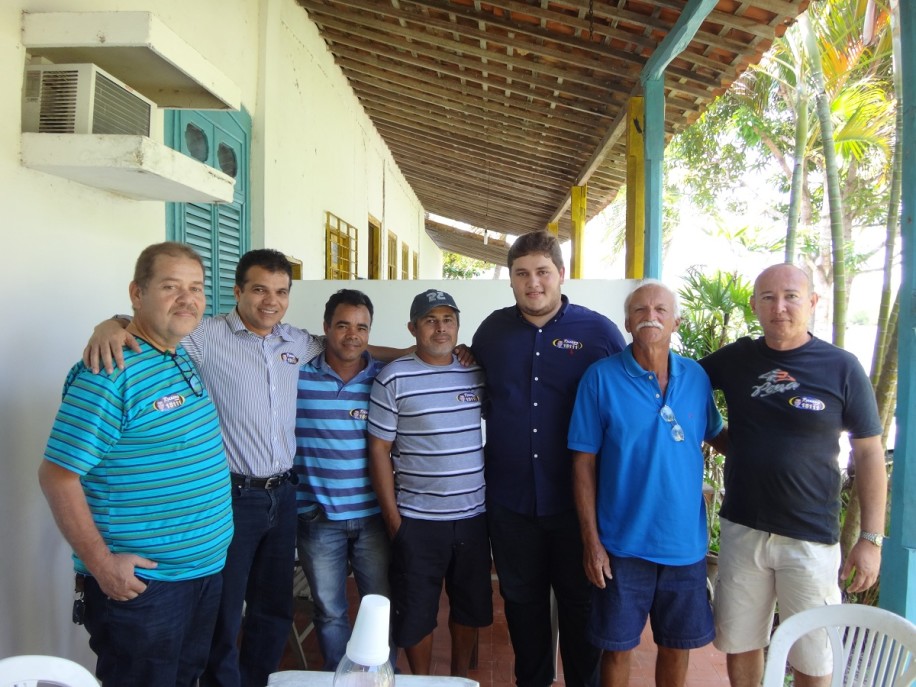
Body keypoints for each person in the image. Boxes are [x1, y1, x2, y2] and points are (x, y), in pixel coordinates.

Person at [85, 249, 323, 687]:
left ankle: (258, 681)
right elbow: (153, 329)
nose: (270, 301)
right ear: (237, 292)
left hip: (283, 494)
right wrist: (111, 324)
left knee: (273, 608)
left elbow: (349, 344)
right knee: (224, 613)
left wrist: (408, 350)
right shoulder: (203, 336)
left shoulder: (297, 342)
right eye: (258, 290)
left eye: (281, 292)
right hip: (233, 498)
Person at [39, 242, 234, 686]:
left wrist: (114, 322)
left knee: (186, 678)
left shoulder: (177, 352)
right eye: (170, 287)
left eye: (196, 288)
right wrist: (102, 564)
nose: (187, 299)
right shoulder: (108, 372)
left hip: (202, 572)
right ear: (137, 292)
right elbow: (57, 475)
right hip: (147, 587)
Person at [700, 263, 887, 687]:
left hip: (811, 538)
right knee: (741, 642)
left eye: (791, 296)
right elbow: (681, 384)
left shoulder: (841, 366)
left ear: (813, 303)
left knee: (814, 653)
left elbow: (870, 451)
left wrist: (871, 540)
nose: (779, 307)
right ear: (754, 305)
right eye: (767, 297)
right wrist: (715, 435)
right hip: (743, 529)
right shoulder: (736, 359)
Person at [471, 231, 626, 687]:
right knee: (522, 607)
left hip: (576, 506)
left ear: (561, 274)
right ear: (511, 280)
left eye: (542, 272)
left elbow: (627, 400)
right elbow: (473, 391)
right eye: (522, 274)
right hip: (511, 501)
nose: (532, 283)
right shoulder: (492, 332)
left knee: (583, 610)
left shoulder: (597, 333)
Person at [569, 280, 724, 687]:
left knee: (677, 646)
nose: (649, 316)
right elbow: (582, 463)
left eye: (659, 309)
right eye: (639, 310)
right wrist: (591, 542)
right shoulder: (599, 379)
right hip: (622, 545)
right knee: (617, 648)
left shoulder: (697, 378)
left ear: (676, 320)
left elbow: (714, 435)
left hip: (684, 546)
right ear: (626, 321)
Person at [367, 289, 492, 677]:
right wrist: (392, 518)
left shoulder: (476, 371)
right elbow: (378, 449)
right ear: (413, 328)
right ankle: (421, 683)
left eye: (448, 319)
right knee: (416, 612)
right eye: (430, 320)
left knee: (469, 609)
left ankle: (459, 680)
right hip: (418, 521)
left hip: (472, 518)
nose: (441, 328)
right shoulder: (393, 378)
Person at [294, 289, 392, 671]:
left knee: (380, 606)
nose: (352, 335)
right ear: (325, 328)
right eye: (343, 325)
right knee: (331, 611)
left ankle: (384, 676)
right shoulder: (296, 375)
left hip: (373, 519)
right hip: (318, 521)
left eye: (362, 327)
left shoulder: (385, 378)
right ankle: (342, 677)